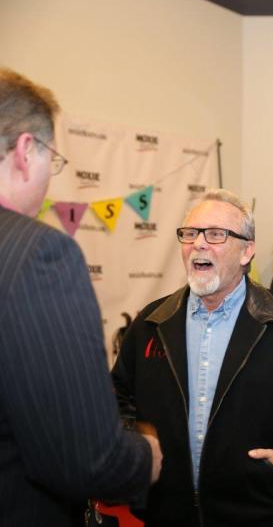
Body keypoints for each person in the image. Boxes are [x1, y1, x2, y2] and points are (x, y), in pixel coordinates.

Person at [112, 189, 273, 526]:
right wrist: (136, 450)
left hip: (261, 512)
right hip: (166, 512)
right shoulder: (152, 323)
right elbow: (117, 397)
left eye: (215, 234)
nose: (199, 243)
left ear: (247, 250)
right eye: (190, 234)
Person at [0, 68, 160, 526]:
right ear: (28, 150)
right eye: (54, 157)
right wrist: (145, 457)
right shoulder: (39, 253)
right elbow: (83, 457)